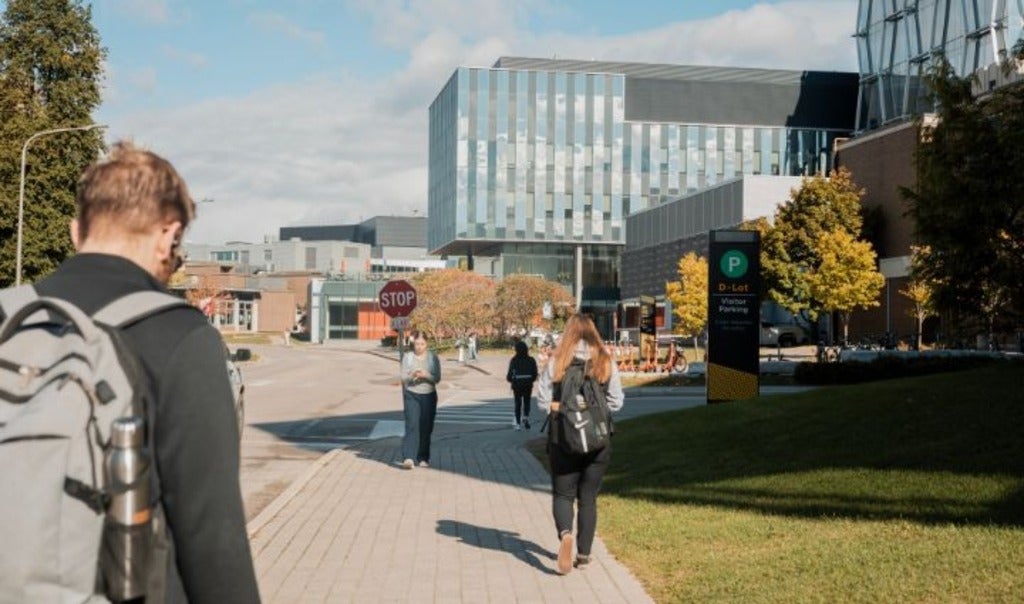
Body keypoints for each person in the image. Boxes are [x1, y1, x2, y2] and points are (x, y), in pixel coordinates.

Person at [11, 142, 260, 601]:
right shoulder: (180, 336)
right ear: (169, 235)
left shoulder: (9, 318)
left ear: (76, 231)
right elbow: (213, 540)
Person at [536, 314, 624, 575]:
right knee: (588, 499)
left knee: (563, 494)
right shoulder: (605, 360)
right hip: (598, 440)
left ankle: (565, 534)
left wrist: (564, 411)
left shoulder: (557, 361)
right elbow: (617, 402)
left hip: (564, 439)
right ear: (593, 332)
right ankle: (584, 555)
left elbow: (542, 402)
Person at [400, 330, 442, 469]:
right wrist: (412, 375)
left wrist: (426, 375)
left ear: (427, 344)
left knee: (426, 427)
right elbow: (403, 378)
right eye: (417, 344)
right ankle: (408, 457)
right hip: (411, 394)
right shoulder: (408, 357)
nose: (419, 347)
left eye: (422, 344)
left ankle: (423, 457)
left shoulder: (433, 358)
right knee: (412, 425)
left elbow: (437, 378)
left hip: (428, 395)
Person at [506, 340, 538, 430]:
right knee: (527, 401)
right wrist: (531, 380)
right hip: (528, 383)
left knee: (518, 403)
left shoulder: (514, 360)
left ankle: (518, 423)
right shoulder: (531, 360)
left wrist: (511, 380)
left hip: (517, 384)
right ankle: (526, 417)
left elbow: (509, 374)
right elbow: (535, 373)